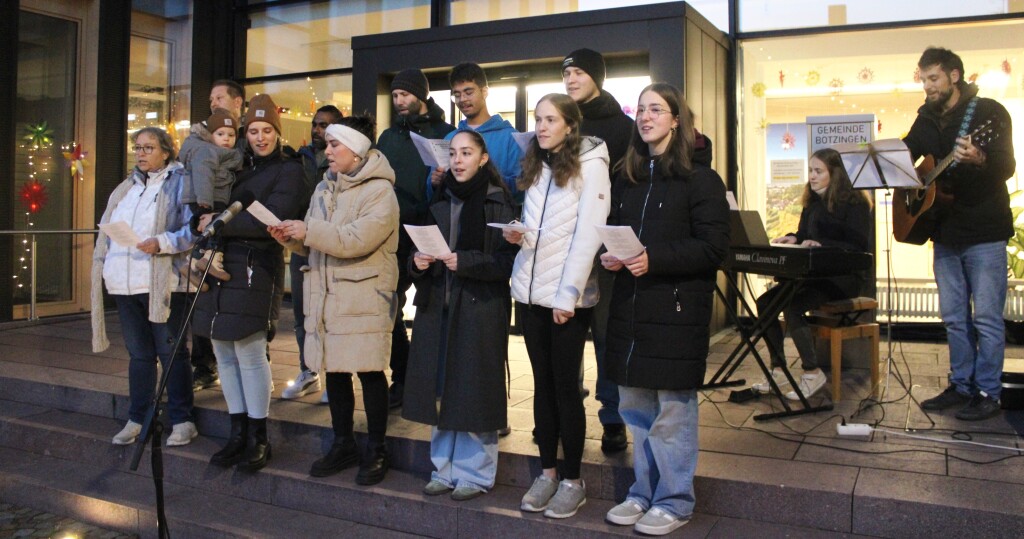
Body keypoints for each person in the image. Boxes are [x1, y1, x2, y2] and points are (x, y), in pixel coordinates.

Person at [601, 83, 729, 536]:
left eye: (657, 109)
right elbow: (619, 232)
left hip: (675, 310)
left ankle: (675, 500)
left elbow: (715, 248)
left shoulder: (701, 179)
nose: (646, 116)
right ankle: (643, 492)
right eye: (641, 109)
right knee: (635, 409)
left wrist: (654, 258)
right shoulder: (630, 178)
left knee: (672, 412)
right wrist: (613, 254)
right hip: (632, 309)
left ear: (677, 120)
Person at [270, 117, 399, 485]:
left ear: (356, 151)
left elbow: (357, 239)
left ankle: (377, 448)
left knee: (371, 372)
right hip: (329, 294)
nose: (326, 152)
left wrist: (308, 231)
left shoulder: (380, 191)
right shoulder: (325, 188)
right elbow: (316, 239)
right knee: (336, 372)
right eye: (327, 145)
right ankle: (343, 443)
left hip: (363, 294)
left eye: (334, 145)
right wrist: (290, 237)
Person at [504, 93, 610, 519]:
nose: (542, 126)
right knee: (542, 387)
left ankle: (572, 480)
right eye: (538, 119)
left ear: (570, 124)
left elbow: (588, 235)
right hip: (530, 293)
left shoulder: (590, 164)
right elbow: (542, 229)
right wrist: (519, 234)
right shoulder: (537, 164)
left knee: (567, 390)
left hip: (567, 299)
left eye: (550, 119)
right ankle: (547, 473)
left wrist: (567, 297)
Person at [192, 94, 307, 472]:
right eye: (253, 131)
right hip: (222, 263)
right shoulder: (235, 166)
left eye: (267, 130)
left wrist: (218, 222)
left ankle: (259, 436)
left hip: (258, 266)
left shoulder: (289, 169)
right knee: (223, 350)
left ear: (278, 132)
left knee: (251, 352)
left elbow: (272, 220)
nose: (260, 137)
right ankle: (237, 432)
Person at [402, 130, 518, 501]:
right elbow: (411, 252)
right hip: (438, 306)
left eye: (467, 153)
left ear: (483, 158)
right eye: (453, 153)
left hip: (480, 307)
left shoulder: (499, 201)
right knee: (441, 388)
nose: (458, 160)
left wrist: (465, 261)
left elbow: (508, 263)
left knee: (475, 389)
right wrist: (417, 262)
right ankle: (444, 468)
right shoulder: (438, 197)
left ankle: (476, 474)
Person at [906, 47, 1016, 421]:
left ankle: (988, 391)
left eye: (933, 78)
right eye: (923, 79)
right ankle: (961, 385)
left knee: (986, 317)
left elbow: (1007, 165)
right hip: (944, 231)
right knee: (954, 317)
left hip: (984, 230)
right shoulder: (926, 118)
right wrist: (906, 179)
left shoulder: (988, 113)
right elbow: (907, 154)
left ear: (954, 76)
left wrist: (981, 158)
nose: (927, 86)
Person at [91, 127, 198, 447]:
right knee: (139, 355)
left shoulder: (180, 182)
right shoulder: (126, 187)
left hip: (162, 283)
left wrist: (162, 242)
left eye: (149, 148)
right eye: (137, 148)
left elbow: (192, 230)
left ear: (167, 151)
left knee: (171, 353)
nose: (140, 153)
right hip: (125, 284)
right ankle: (138, 417)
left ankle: (182, 419)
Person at [751, 148, 873, 400]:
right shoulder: (812, 202)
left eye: (818, 171)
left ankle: (812, 372)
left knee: (793, 306)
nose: (812, 176)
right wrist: (794, 238)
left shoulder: (855, 202)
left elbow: (859, 246)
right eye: (810, 171)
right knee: (765, 303)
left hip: (843, 278)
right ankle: (778, 369)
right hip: (814, 274)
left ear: (835, 174)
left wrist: (824, 246)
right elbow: (806, 234)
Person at [562, 48, 635, 452]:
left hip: (604, 245)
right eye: (566, 74)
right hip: (564, 242)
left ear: (597, 76)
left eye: (578, 72)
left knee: (607, 334)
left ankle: (613, 418)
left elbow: (628, 181)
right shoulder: (560, 121)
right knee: (566, 332)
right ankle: (565, 411)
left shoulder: (623, 126)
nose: (571, 80)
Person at [377, 68, 456, 408]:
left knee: (430, 308)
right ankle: (403, 375)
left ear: (421, 96)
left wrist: (442, 181)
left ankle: (430, 380)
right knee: (388, 304)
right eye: (395, 96)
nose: (399, 101)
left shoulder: (446, 133)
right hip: (391, 231)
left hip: (430, 230)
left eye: (405, 95)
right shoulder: (389, 137)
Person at [281, 104, 345, 402]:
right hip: (301, 243)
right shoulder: (299, 160)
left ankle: (334, 376)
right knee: (301, 312)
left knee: (329, 315)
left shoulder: (341, 164)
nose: (318, 130)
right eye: (315, 124)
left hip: (330, 243)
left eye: (325, 125)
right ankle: (308, 370)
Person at [192, 79, 248, 392]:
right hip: (207, 221)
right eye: (211, 97)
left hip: (237, 230)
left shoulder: (248, 138)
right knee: (203, 299)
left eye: (220, 97)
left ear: (238, 101)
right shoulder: (202, 138)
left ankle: (244, 369)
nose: (213, 102)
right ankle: (203, 366)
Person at [430, 63, 523, 202]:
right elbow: (433, 193)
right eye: (457, 94)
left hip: (495, 217)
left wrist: (480, 179)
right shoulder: (450, 138)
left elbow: (521, 188)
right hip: (455, 217)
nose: (462, 99)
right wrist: (434, 182)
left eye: (468, 92)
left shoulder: (510, 138)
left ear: (484, 92)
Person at [178, 107, 243, 288]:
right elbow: (203, 174)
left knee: (209, 229)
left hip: (205, 196)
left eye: (231, 135)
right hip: (207, 198)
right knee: (218, 226)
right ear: (209, 135)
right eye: (220, 134)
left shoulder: (212, 150)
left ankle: (192, 264)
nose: (226, 139)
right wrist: (205, 204)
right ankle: (212, 258)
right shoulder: (208, 151)